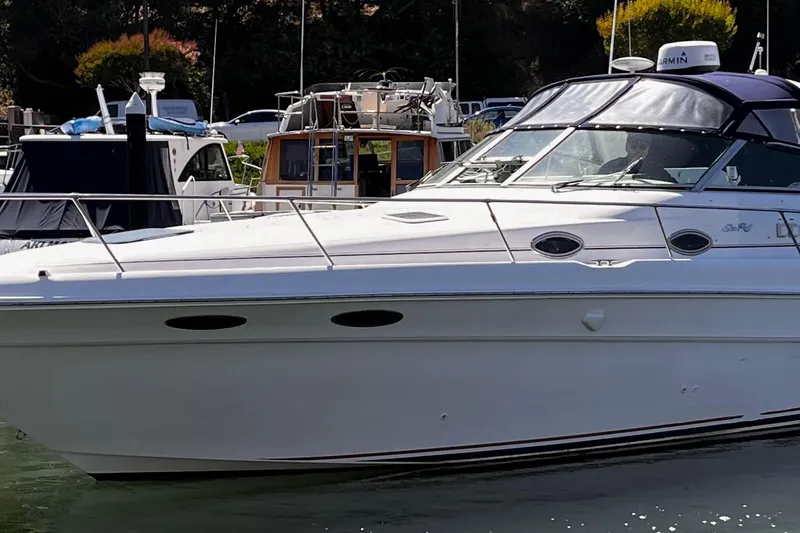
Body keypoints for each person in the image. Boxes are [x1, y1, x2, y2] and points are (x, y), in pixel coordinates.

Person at [597, 132, 675, 182]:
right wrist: (627, 168)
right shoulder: (610, 167)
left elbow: (674, 187)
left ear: (648, 149)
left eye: (643, 147)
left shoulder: (657, 170)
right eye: (633, 146)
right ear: (626, 147)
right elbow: (596, 184)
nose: (638, 150)